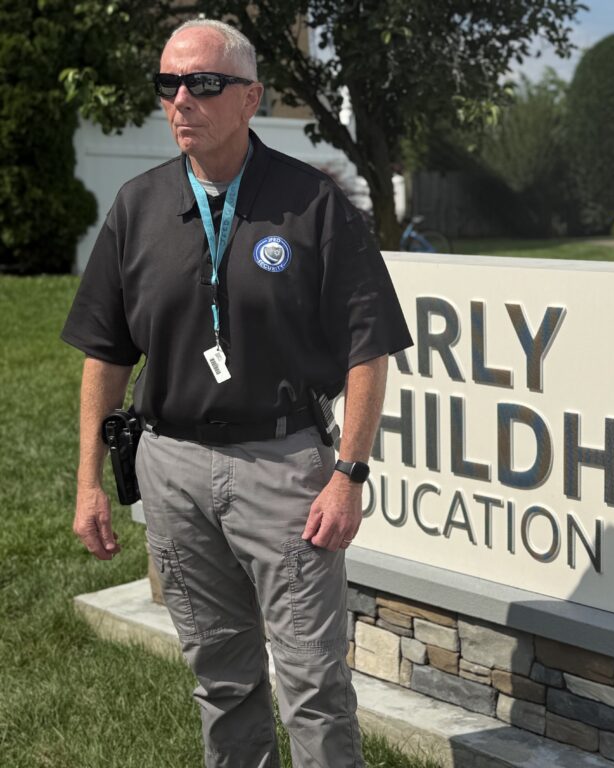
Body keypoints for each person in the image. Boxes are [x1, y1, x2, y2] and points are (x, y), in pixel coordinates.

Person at [61, 18, 412, 768]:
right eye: (169, 84)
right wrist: (90, 480)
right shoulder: (137, 207)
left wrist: (348, 473)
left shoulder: (312, 204)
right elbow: (106, 351)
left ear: (251, 97)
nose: (182, 99)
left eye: (204, 83)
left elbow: (368, 346)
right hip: (172, 468)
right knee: (220, 680)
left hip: (284, 469)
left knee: (313, 685)